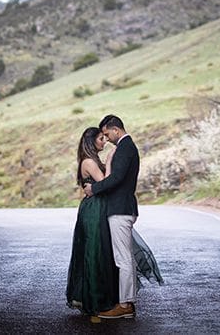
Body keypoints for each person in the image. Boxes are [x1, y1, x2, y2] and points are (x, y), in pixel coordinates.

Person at [82, 114, 146, 319]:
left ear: (116, 130)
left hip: (120, 209)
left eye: (107, 134)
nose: (107, 138)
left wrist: (94, 188)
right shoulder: (126, 147)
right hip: (121, 208)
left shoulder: (125, 148)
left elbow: (117, 178)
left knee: (123, 258)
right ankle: (127, 302)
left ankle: (125, 304)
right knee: (124, 256)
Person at [65, 127, 119, 316]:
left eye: (105, 138)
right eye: (100, 139)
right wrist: (111, 161)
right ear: (91, 141)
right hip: (94, 209)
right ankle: (94, 299)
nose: (104, 142)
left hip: (97, 207)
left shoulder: (92, 160)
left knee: (100, 251)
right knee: (95, 251)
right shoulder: (88, 161)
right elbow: (105, 182)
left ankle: (99, 296)